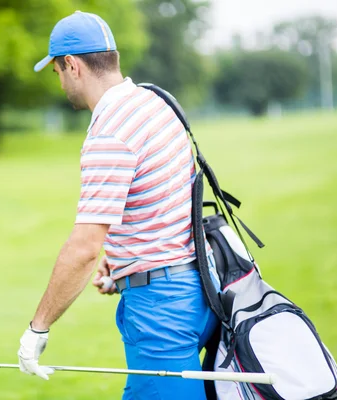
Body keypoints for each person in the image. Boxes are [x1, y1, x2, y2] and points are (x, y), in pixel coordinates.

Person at [17, 11, 220, 400]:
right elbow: (165, 200)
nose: (59, 82)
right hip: (198, 289)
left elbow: (83, 249)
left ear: (72, 66)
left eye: (57, 71)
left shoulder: (109, 130)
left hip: (162, 310)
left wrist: (37, 328)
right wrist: (125, 260)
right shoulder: (153, 101)